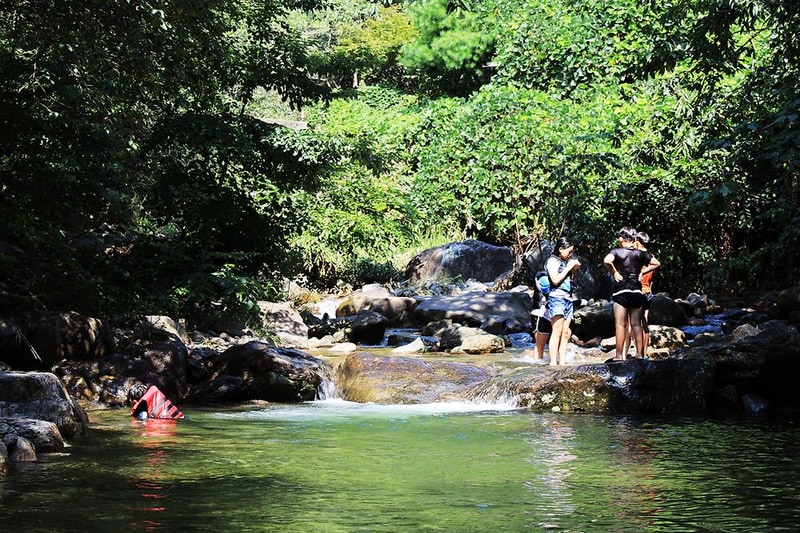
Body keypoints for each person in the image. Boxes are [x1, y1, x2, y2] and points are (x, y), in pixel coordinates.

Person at [604, 227, 660, 361]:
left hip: (621, 291)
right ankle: (640, 355)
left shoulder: (616, 251)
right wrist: (642, 272)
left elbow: (607, 260)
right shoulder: (640, 254)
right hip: (636, 292)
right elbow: (656, 263)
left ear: (622, 238)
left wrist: (614, 272)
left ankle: (619, 356)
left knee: (620, 325)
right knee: (636, 324)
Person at [545, 237, 581, 366]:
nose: (570, 254)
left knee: (566, 333)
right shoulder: (552, 261)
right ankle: (553, 362)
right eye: (569, 251)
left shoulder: (566, 262)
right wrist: (569, 267)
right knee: (557, 331)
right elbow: (555, 280)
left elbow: (570, 282)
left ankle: (562, 361)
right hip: (556, 298)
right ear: (561, 249)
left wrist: (574, 271)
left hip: (568, 299)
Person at [621, 230, 658, 356]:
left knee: (631, 324)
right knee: (643, 323)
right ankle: (643, 353)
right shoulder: (649, 256)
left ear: (637, 242)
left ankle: (627, 355)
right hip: (647, 292)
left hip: (639, 291)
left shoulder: (639, 256)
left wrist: (641, 273)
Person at [531, 276, 551, 363]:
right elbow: (542, 303)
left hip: (550, 316)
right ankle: (538, 364)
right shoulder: (543, 282)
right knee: (540, 346)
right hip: (540, 316)